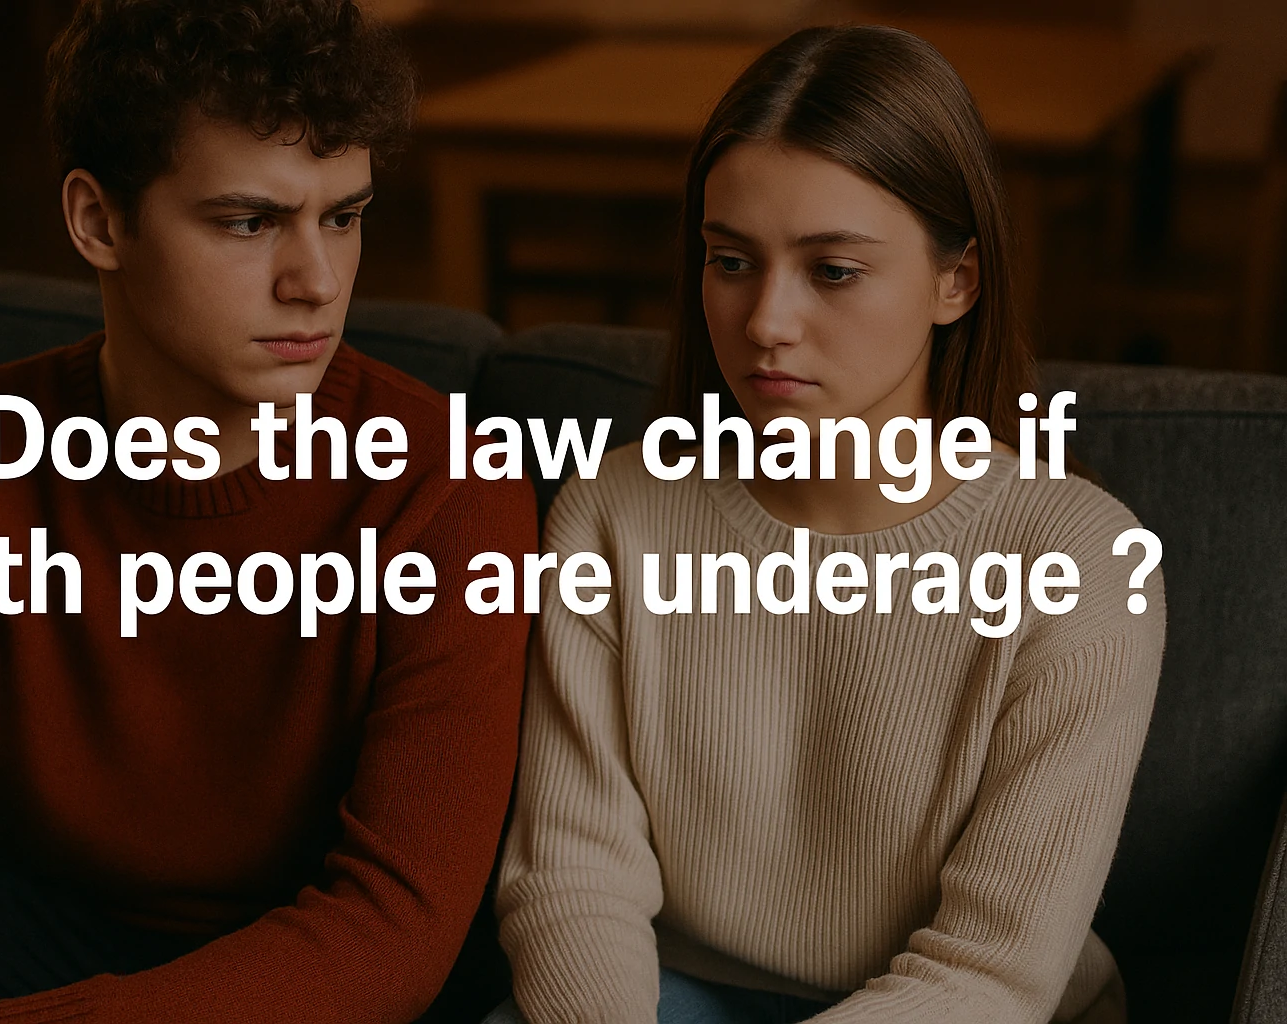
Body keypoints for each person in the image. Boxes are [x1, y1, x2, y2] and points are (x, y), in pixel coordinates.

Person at [0, 2, 536, 1023]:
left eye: (342, 215)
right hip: (43, 931)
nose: (318, 281)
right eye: (250, 221)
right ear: (97, 221)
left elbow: (396, 925)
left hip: (322, 981)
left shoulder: (448, 483)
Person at [485, 24, 1166, 1024]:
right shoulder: (613, 514)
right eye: (730, 260)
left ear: (957, 281)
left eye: (833, 270)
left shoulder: (1081, 559)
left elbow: (991, 973)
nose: (765, 321)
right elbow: (571, 881)